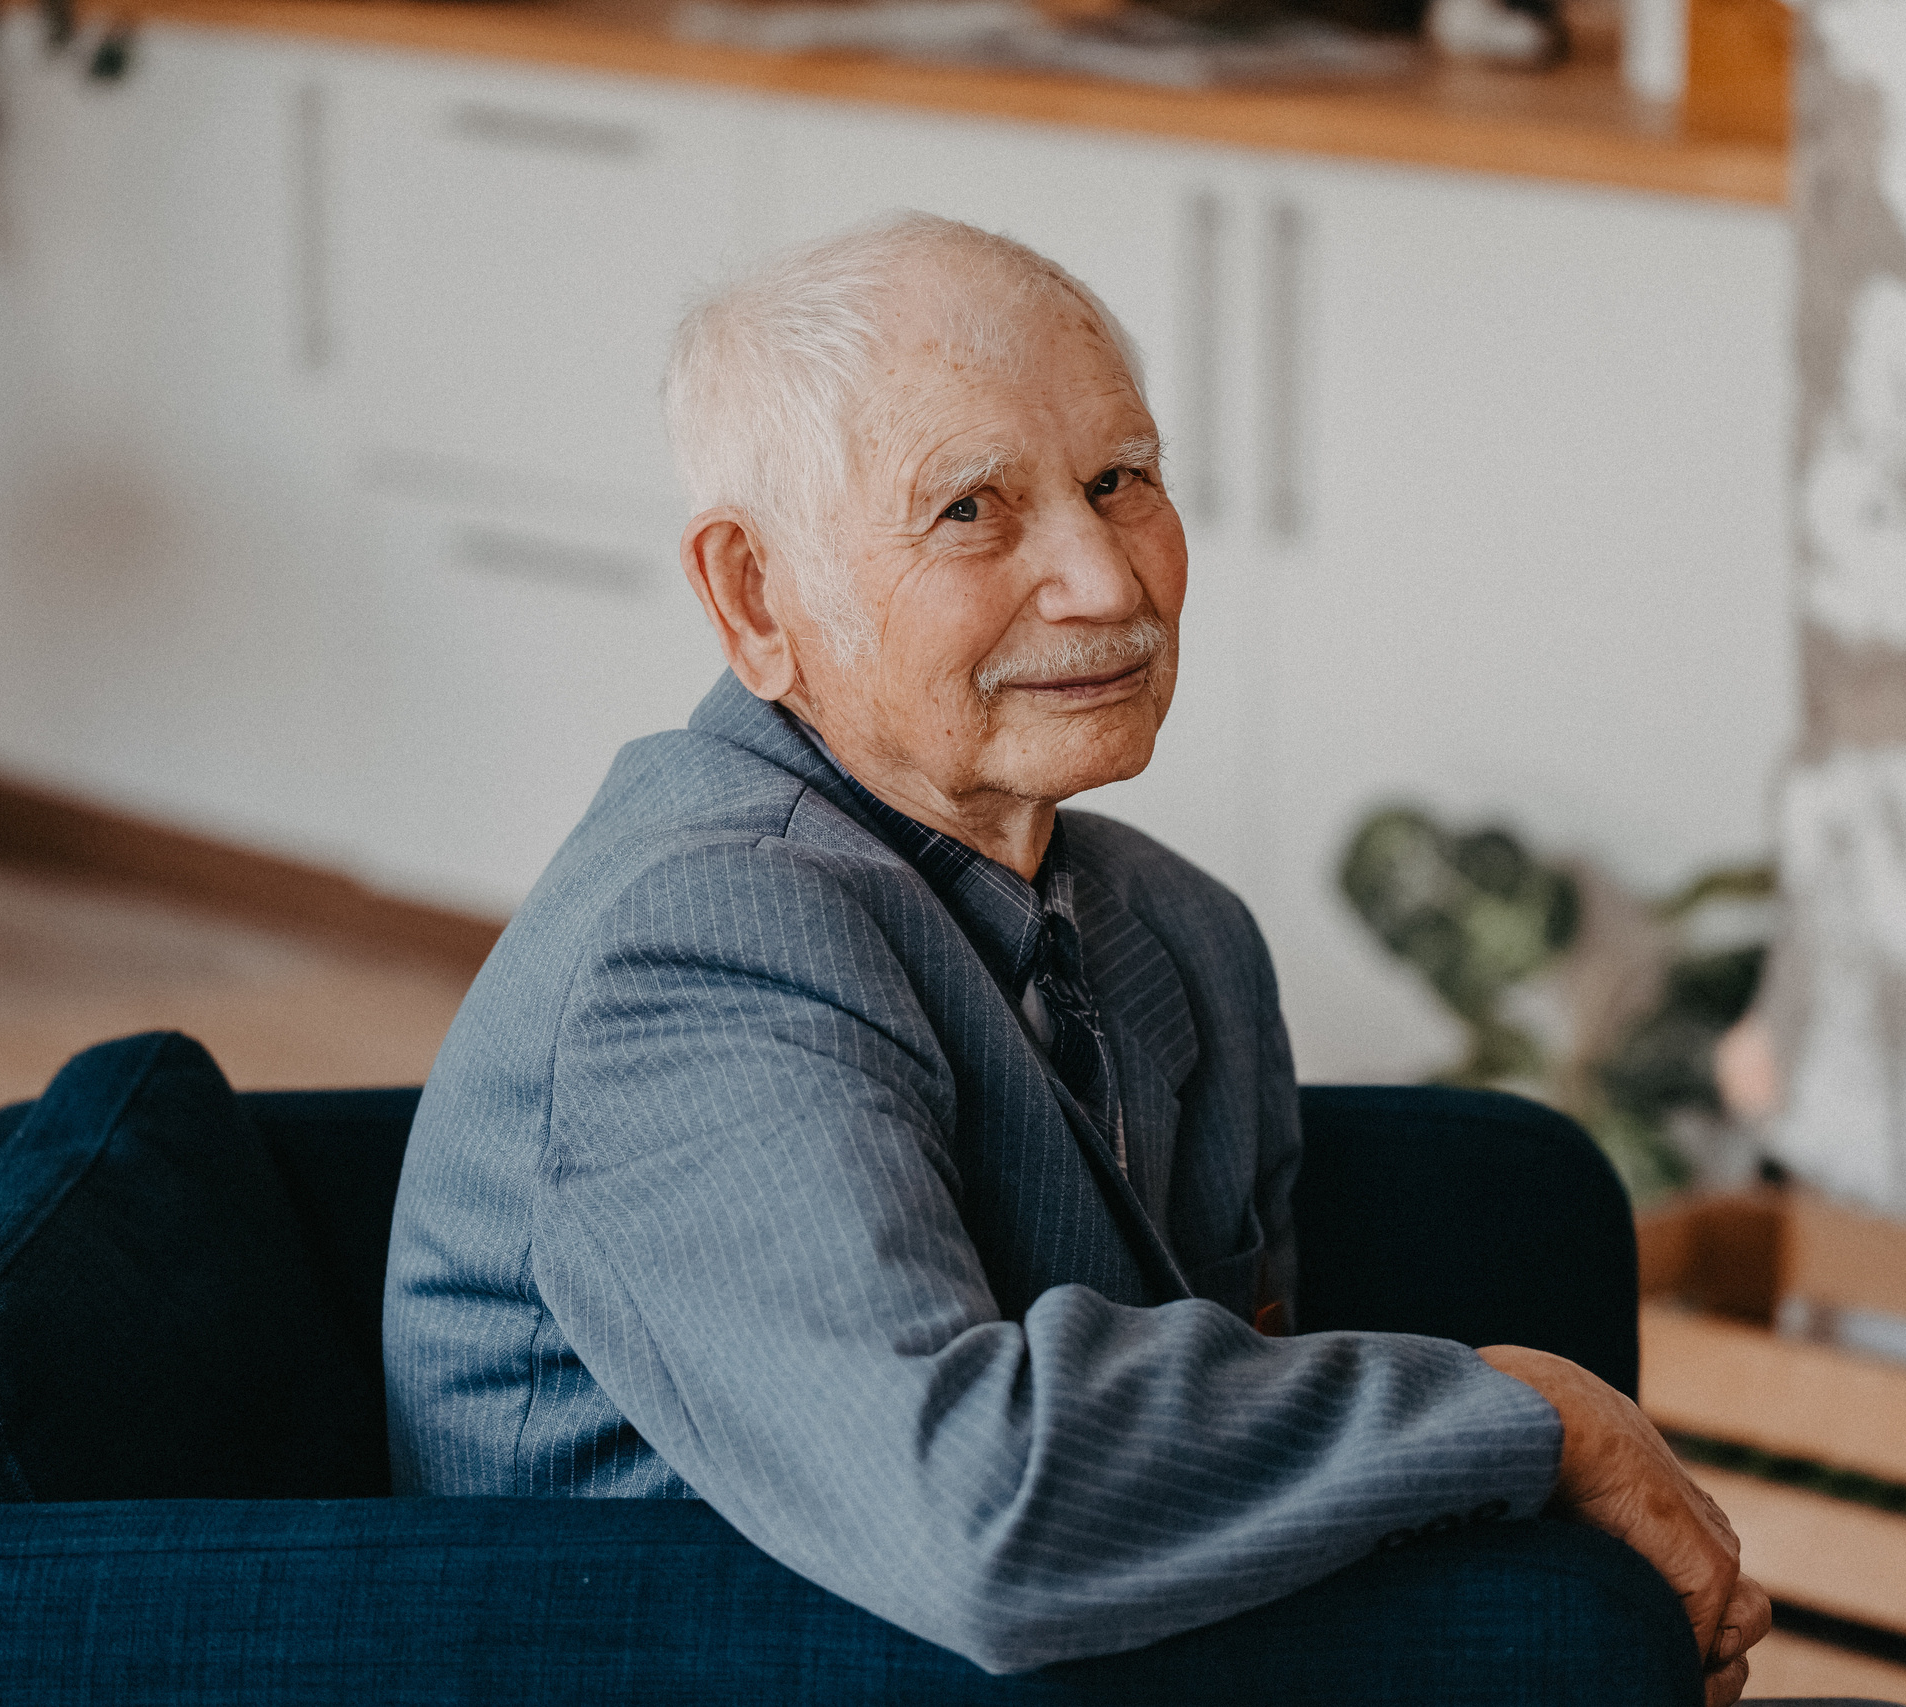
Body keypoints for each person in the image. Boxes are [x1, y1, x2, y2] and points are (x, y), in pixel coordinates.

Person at [383, 212, 1770, 1700]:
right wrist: (1524, 1419)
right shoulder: (701, 942)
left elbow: (1244, 1423)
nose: (1109, 584)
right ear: (758, 600)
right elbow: (976, 1506)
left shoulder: (1177, 931)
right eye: (972, 509)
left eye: (1123, 480)